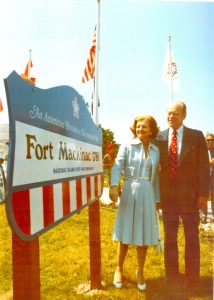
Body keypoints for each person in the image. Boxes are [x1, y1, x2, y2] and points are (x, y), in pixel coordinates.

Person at [156, 101, 210, 285]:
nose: (171, 117)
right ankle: (171, 275)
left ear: (184, 116)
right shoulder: (159, 137)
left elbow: (204, 168)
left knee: (191, 237)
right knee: (170, 237)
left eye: (175, 114)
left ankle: (192, 276)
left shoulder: (196, 136)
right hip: (168, 198)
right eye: (169, 114)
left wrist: (204, 194)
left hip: (191, 198)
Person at [109, 115, 160, 290]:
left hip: (147, 193)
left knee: (143, 235)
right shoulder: (127, 145)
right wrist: (114, 186)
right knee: (125, 234)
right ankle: (118, 268)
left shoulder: (155, 150)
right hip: (130, 191)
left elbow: (156, 178)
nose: (140, 129)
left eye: (144, 127)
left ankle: (140, 271)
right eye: (138, 127)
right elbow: (117, 166)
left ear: (151, 130)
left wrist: (157, 200)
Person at [204, 133, 214, 220]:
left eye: (212, 140)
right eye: (208, 140)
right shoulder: (202, 151)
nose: (210, 141)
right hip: (204, 177)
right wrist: (209, 162)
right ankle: (204, 216)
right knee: (203, 196)